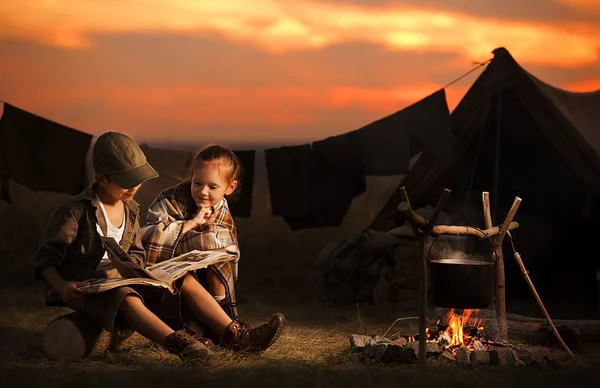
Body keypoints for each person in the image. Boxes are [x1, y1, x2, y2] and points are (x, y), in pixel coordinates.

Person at [34, 132, 285, 362]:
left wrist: (154, 275)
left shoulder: (130, 209)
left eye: (138, 180)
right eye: (126, 181)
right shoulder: (75, 211)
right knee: (127, 299)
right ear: (101, 179)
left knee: (182, 279)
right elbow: (47, 257)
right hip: (91, 286)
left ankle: (236, 335)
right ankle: (181, 344)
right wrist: (61, 285)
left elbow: (136, 253)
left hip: (125, 278)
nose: (134, 187)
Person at [141, 144, 255, 342]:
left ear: (230, 188)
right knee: (185, 276)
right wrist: (191, 224)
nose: (203, 192)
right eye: (197, 183)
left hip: (207, 283)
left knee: (219, 256)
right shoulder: (169, 199)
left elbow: (227, 247)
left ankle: (224, 318)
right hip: (165, 280)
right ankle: (228, 330)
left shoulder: (221, 208)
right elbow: (148, 238)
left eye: (212, 186)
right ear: (190, 177)